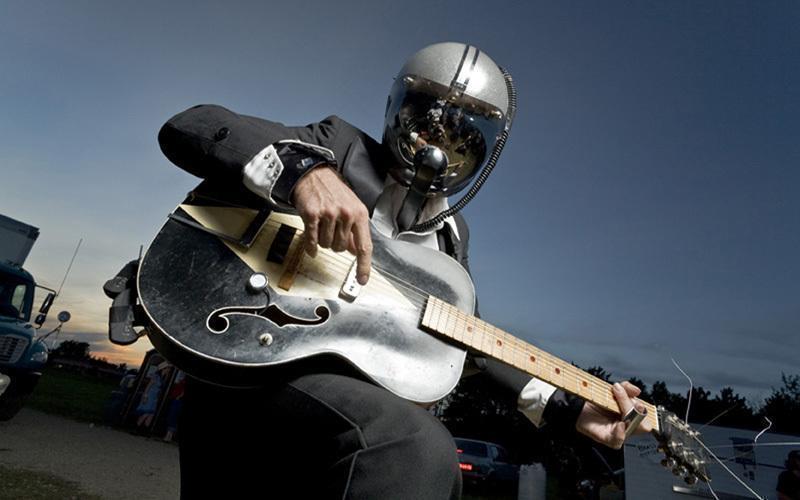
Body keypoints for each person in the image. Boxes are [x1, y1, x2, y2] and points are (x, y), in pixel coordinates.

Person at [156, 42, 648, 499]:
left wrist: (570, 407)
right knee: (416, 446)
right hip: (251, 357)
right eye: (429, 118)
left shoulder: (453, 238)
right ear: (399, 106)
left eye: (463, 133)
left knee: (421, 457)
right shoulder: (339, 143)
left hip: (350, 403)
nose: (439, 142)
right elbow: (192, 124)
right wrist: (305, 172)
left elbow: (468, 342)